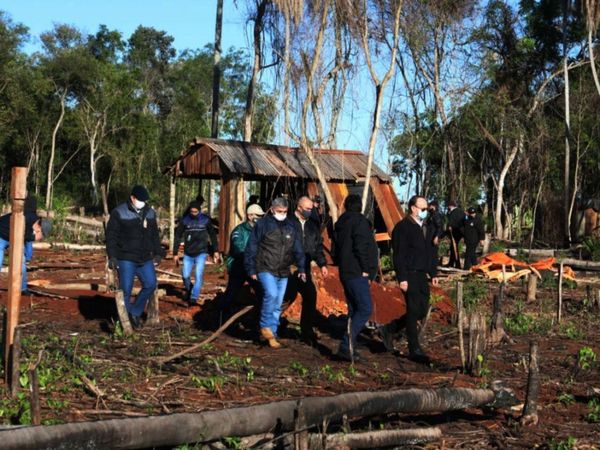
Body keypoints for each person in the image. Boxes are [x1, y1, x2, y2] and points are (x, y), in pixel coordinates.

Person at [244, 197, 306, 349]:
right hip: (265, 267)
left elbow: (298, 248)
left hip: (283, 270)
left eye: (284, 212)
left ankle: (272, 333)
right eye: (279, 211)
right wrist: (251, 268)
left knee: (278, 303)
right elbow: (251, 246)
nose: (282, 214)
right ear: (272, 210)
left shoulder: (291, 226)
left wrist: (302, 267)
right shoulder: (263, 225)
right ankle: (265, 326)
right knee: (271, 294)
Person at [106, 185, 163, 329]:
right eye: (140, 199)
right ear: (132, 198)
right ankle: (124, 321)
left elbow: (154, 235)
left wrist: (158, 253)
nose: (143, 202)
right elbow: (111, 236)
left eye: (145, 200)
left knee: (150, 284)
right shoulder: (119, 212)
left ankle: (134, 312)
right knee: (125, 289)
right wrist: (112, 256)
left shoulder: (150, 213)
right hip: (125, 257)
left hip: (144, 257)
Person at [391, 195, 439, 364]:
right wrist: (402, 277)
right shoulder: (402, 228)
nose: (426, 212)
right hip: (409, 273)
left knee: (422, 309)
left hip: (422, 274)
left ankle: (390, 328)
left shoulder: (426, 227)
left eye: (427, 209)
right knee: (412, 309)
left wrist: (433, 273)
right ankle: (414, 348)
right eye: (423, 209)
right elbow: (399, 255)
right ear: (413, 208)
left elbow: (431, 252)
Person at [333, 194, 378, 362]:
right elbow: (361, 246)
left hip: (345, 271)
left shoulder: (340, 224)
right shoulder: (359, 223)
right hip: (357, 272)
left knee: (354, 310)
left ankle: (350, 347)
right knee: (365, 308)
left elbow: (335, 250)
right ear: (360, 206)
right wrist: (366, 268)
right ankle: (346, 345)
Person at [282, 196, 328, 345]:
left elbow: (318, 248)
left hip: (304, 269)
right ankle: (269, 324)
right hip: (288, 268)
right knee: (288, 295)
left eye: (311, 209)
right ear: (299, 207)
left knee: (310, 295)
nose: (310, 211)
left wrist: (322, 264)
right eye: (308, 209)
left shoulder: (312, 227)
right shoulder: (287, 223)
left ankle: (307, 331)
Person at [219, 203, 265, 318]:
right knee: (231, 292)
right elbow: (239, 248)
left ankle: (260, 321)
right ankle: (221, 318)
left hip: (253, 268)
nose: (260, 218)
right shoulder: (238, 231)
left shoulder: (261, 231)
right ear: (250, 216)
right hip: (238, 267)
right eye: (258, 216)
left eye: (261, 216)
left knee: (262, 293)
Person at [0, 196, 52, 294]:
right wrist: (33, 238)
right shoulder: (28, 218)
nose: (40, 237)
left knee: (21, 262)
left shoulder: (33, 221)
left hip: (12, 238)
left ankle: (23, 289)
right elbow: (26, 236)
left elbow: (24, 237)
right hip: (1, 235)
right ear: (39, 228)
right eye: (42, 234)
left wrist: (27, 255)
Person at [173, 200, 220, 304]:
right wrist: (175, 253)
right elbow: (177, 236)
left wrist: (216, 250)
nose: (193, 213)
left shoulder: (205, 220)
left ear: (199, 211)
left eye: (195, 212)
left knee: (198, 275)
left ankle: (194, 297)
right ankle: (190, 290)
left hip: (201, 253)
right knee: (185, 275)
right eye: (192, 211)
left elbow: (212, 235)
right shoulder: (185, 221)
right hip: (188, 253)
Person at [446, 200, 465, 269]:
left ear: (450, 206)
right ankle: (452, 263)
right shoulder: (461, 211)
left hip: (455, 231)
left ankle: (457, 264)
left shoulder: (454, 212)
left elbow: (453, 221)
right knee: (453, 247)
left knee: (454, 247)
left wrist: (450, 226)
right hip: (460, 231)